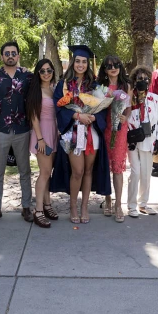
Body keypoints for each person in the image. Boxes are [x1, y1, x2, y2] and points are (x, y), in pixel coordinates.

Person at [50, 44, 111, 223]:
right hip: (73, 133)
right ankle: (73, 207)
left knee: (88, 170)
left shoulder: (95, 85)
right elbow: (58, 107)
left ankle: (85, 207)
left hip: (91, 132)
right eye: (78, 61)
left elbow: (102, 107)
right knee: (77, 171)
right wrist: (77, 115)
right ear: (72, 63)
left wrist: (91, 117)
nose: (81, 65)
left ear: (88, 64)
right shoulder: (63, 85)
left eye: (84, 62)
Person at [0, 41, 33, 225]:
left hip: (22, 129)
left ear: (18, 55)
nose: (10, 55)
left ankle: (26, 208)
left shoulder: (27, 77)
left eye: (14, 53)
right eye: (7, 53)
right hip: (0, 131)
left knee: (25, 171)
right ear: (2, 56)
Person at [98, 55, 131, 223]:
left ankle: (118, 204)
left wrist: (125, 117)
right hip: (104, 128)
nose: (113, 67)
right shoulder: (100, 87)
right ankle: (108, 200)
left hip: (119, 130)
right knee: (105, 166)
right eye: (109, 65)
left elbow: (129, 108)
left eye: (116, 64)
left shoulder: (126, 85)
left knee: (117, 167)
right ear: (104, 69)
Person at [126, 66, 158, 218]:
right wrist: (130, 133)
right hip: (133, 139)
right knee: (135, 172)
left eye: (146, 79)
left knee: (146, 173)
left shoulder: (155, 98)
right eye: (139, 79)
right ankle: (131, 205)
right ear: (134, 80)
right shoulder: (129, 97)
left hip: (149, 138)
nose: (143, 81)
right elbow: (125, 116)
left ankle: (143, 203)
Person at [26, 58, 58, 228]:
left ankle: (47, 205)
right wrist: (40, 139)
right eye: (43, 70)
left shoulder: (54, 89)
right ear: (38, 73)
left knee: (48, 172)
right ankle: (38, 211)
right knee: (44, 173)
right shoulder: (36, 91)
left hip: (53, 132)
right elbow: (34, 117)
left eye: (49, 70)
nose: (46, 73)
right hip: (42, 134)